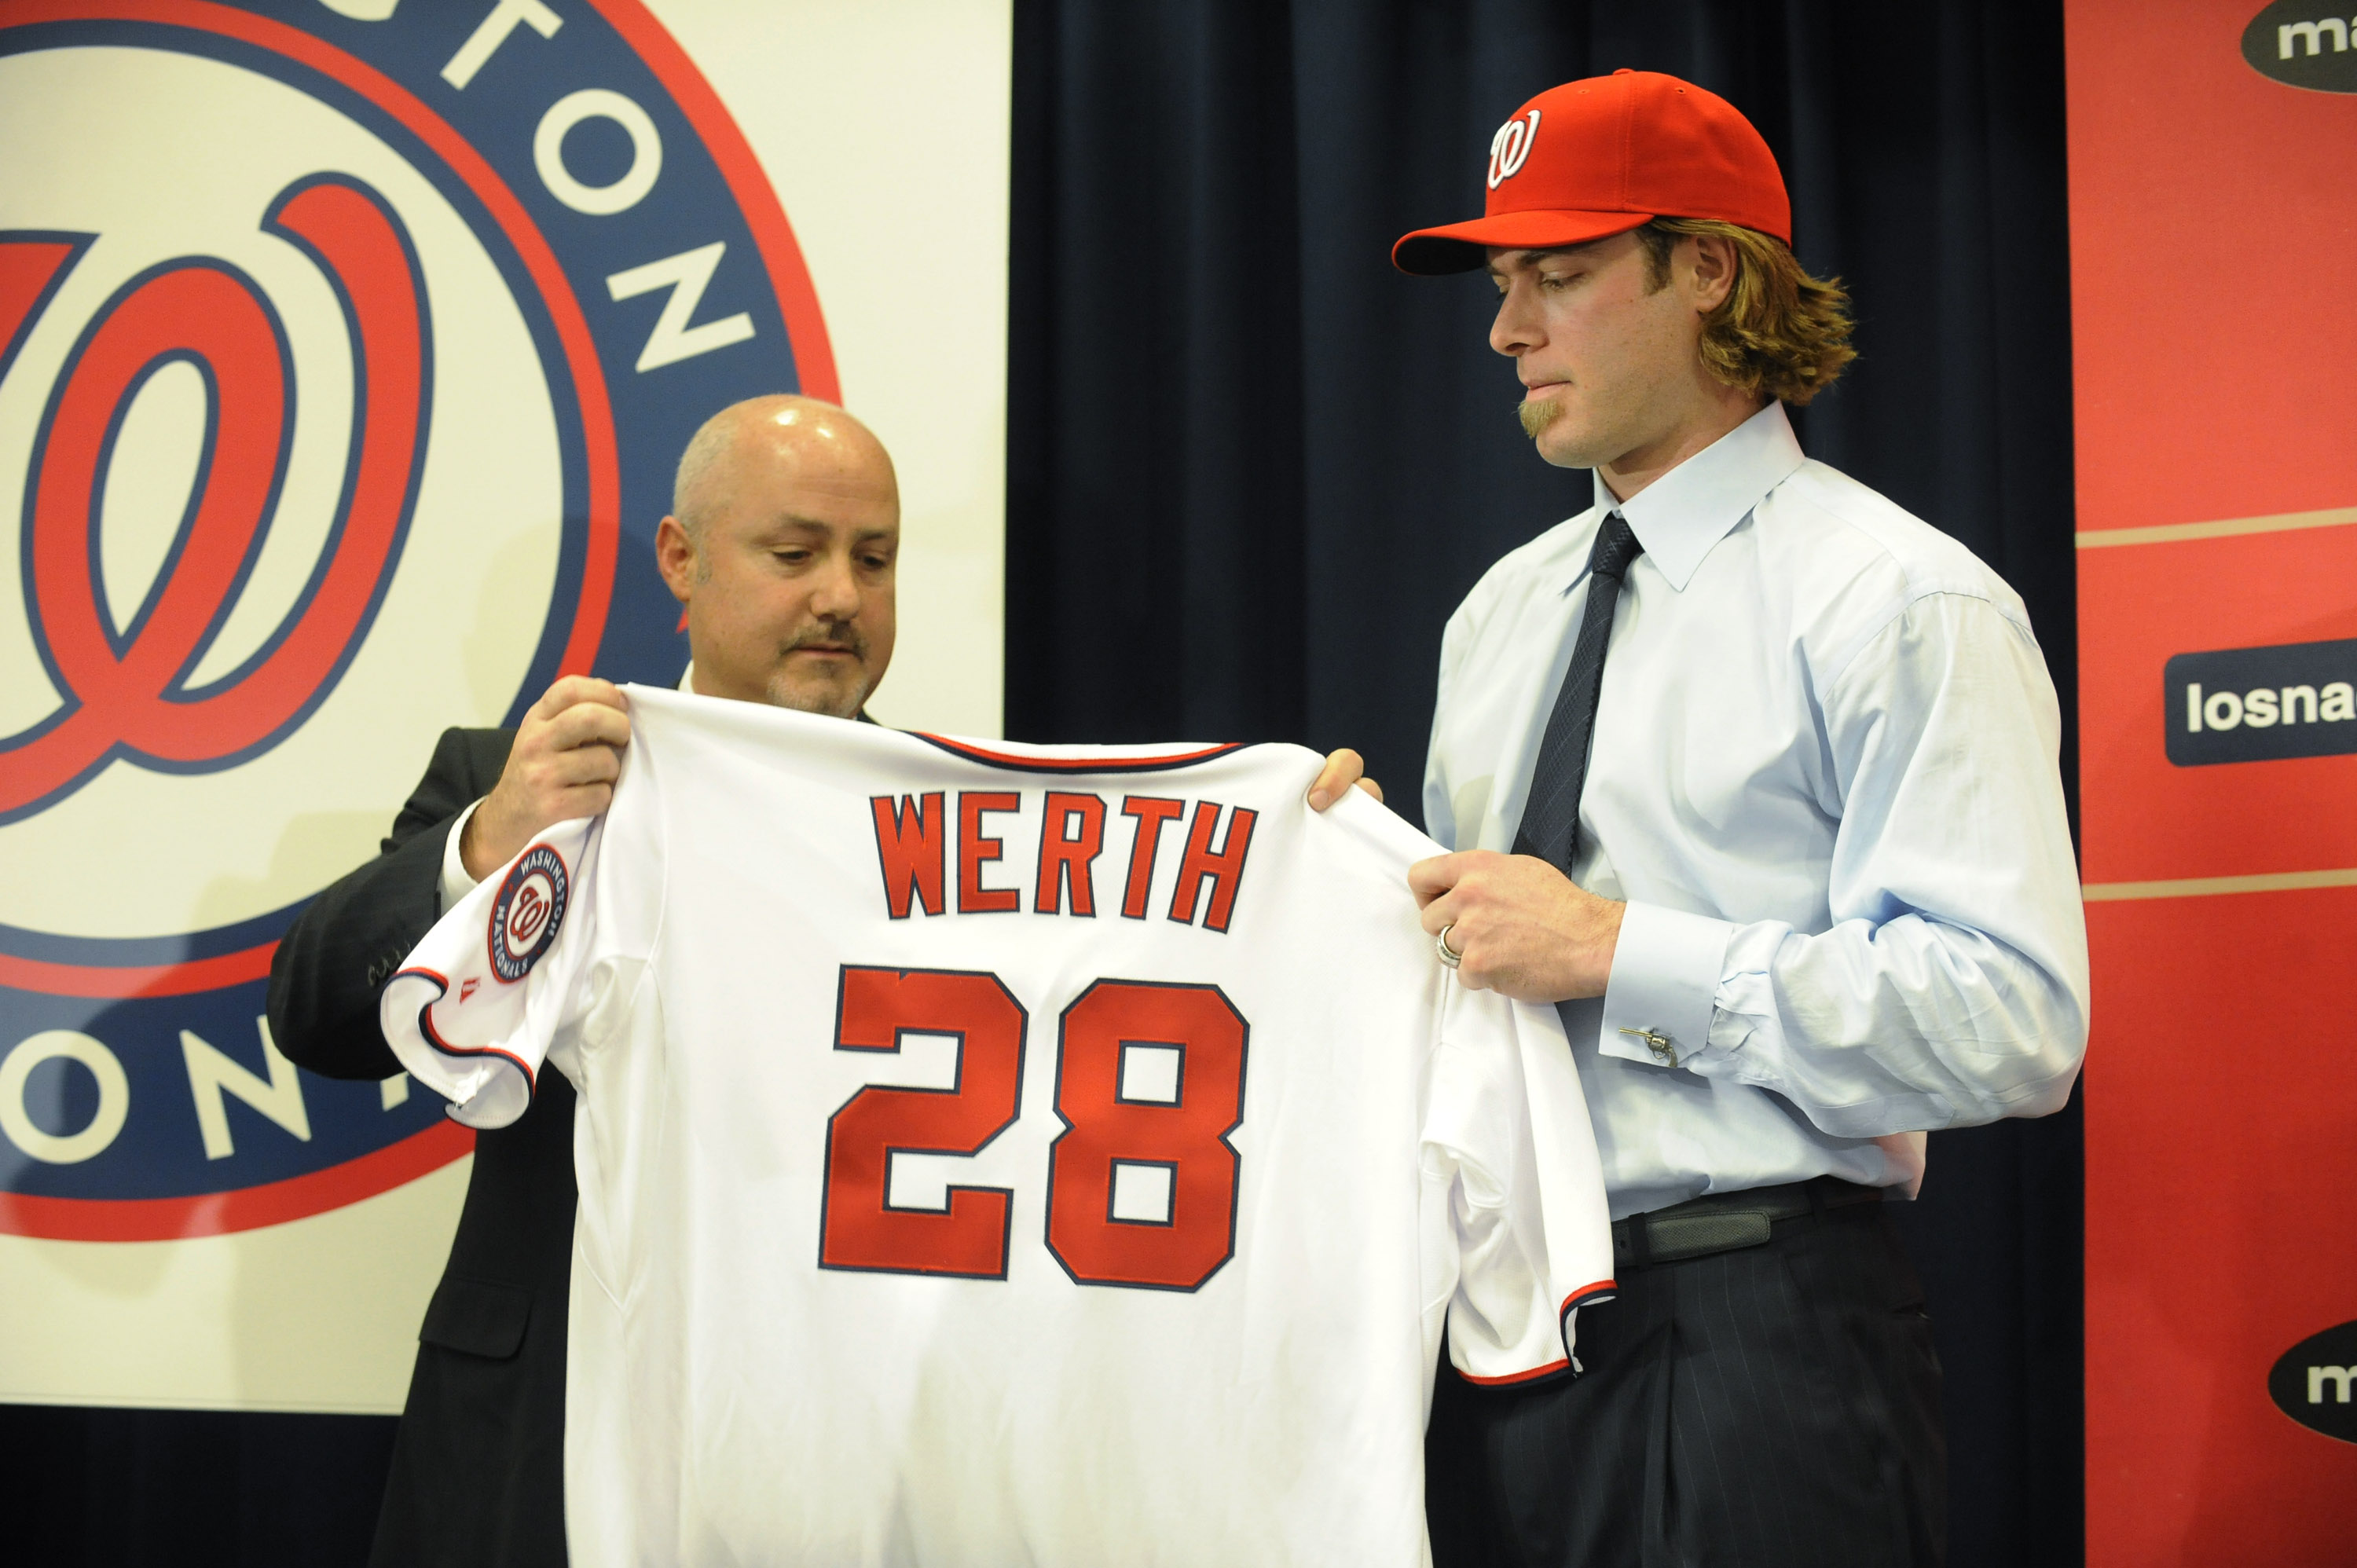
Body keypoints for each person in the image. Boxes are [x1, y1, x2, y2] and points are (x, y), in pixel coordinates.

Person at [269, 394, 1378, 1564]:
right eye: (795, 554)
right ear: (682, 560)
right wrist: (488, 847)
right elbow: (318, 1014)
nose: (840, 596)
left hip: (847, 1461)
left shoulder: (969, 842)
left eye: (876, 558)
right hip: (545, 1441)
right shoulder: (528, 781)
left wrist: (1306, 863)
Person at [1388, 71, 2088, 1566]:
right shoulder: (1497, 620)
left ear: (1709, 271)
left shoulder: (1901, 600)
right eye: (1507, 284)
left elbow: (2013, 1017)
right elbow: (1482, 994)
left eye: (1559, 277)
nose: (1509, 329)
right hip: (1491, 1345)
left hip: (1758, 1333)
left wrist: (1618, 953)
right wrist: (1362, 885)